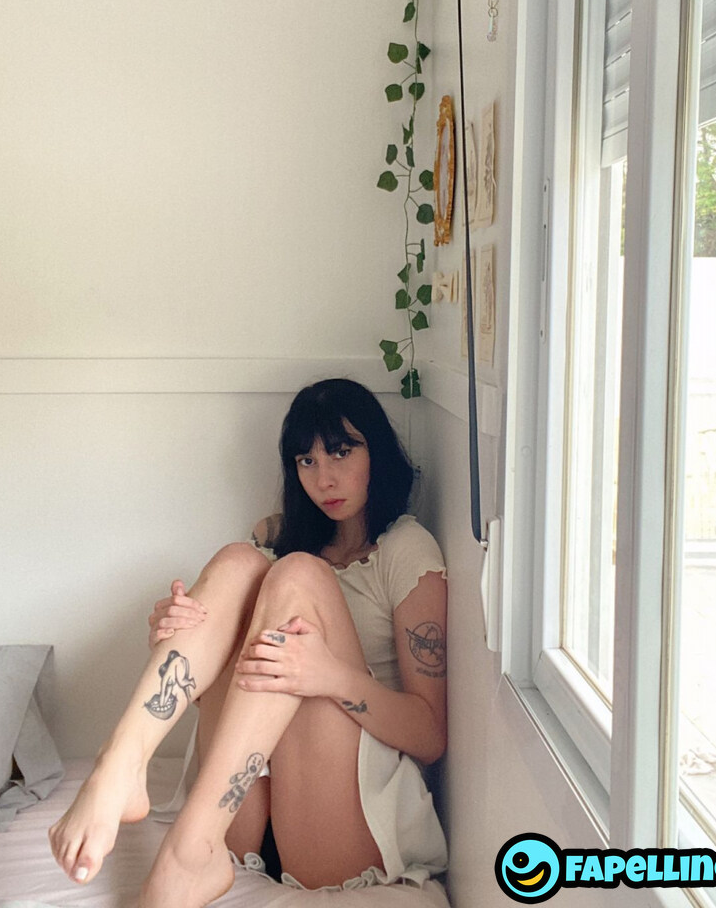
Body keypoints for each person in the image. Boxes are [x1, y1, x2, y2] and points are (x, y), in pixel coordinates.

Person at [48, 378, 448, 908]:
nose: (324, 478)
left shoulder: (405, 551)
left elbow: (429, 735)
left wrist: (330, 677)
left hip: (339, 823)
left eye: (341, 452)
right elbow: (241, 692)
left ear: (376, 450)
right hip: (245, 823)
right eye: (306, 461)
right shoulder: (274, 535)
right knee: (240, 561)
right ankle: (122, 764)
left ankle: (188, 850)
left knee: (299, 575)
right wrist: (175, 635)